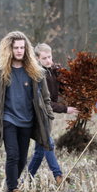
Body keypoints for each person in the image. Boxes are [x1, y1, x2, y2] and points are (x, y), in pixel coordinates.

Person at [0, 31, 54, 192]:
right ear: (9, 49)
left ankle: (9, 188)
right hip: (7, 119)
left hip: (27, 120)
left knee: (22, 158)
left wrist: (49, 117)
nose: (19, 51)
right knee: (12, 155)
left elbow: (46, 98)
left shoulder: (35, 71)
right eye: (16, 48)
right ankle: (13, 188)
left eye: (22, 47)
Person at [27, 43, 79, 184]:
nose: (48, 60)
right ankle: (58, 175)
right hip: (37, 116)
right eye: (44, 58)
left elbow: (64, 89)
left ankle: (27, 178)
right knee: (48, 143)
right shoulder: (37, 75)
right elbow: (45, 102)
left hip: (47, 116)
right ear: (37, 59)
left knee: (39, 151)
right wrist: (65, 109)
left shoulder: (52, 71)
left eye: (49, 57)